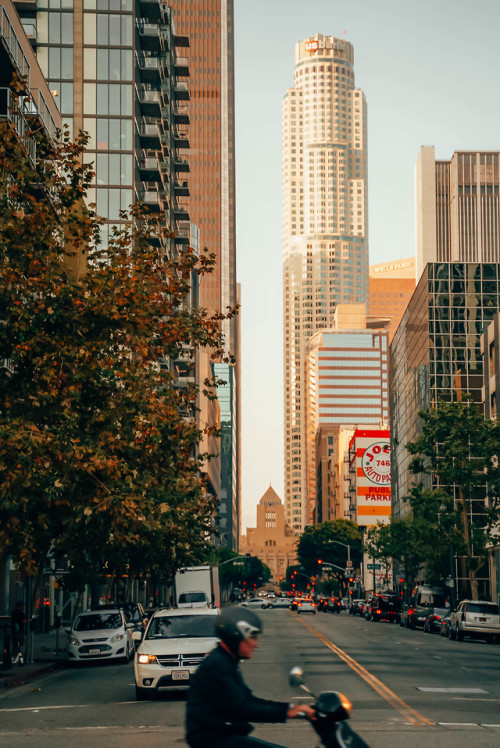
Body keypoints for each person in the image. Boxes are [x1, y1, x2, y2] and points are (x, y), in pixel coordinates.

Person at [185, 606, 316, 748]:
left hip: (221, 736)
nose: (256, 644)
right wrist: (289, 712)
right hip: (212, 740)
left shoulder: (225, 661)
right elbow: (243, 707)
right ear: (236, 635)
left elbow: (248, 700)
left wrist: (293, 708)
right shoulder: (217, 665)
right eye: (252, 637)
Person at [11, 601, 27, 665]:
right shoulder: (21, 613)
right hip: (20, 630)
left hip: (14, 630)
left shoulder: (13, 612)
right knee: (21, 642)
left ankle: (13, 656)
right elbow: (24, 621)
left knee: (15, 643)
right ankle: (16, 655)